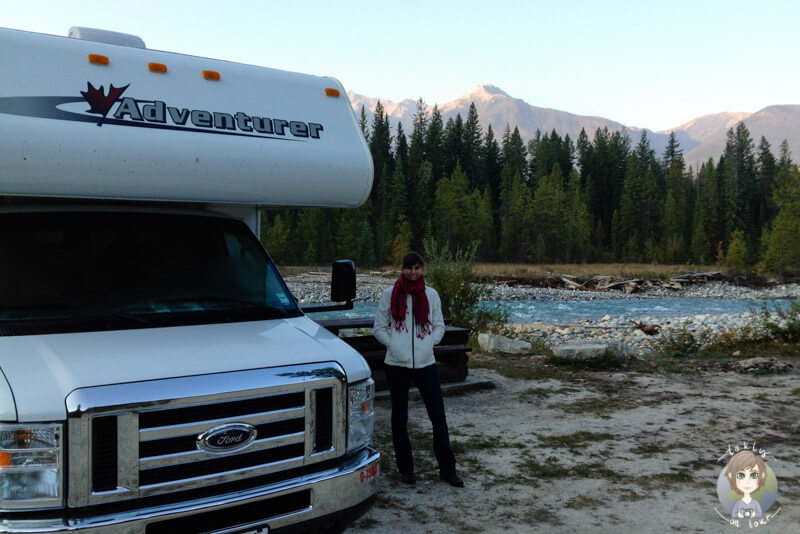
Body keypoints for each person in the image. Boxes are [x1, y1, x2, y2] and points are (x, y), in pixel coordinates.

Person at [373, 251, 463, 487]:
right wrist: (393, 344)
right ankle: (406, 469)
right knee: (399, 417)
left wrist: (429, 343)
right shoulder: (389, 294)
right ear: (402, 269)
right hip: (396, 365)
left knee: (438, 417)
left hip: (426, 363)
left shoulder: (431, 295)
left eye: (417, 268)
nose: (413, 272)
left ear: (423, 270)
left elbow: (439, 325)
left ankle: (447, 469)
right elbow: (379, 328)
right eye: (409, 268)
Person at [725, 450, 767, 518]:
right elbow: (734, 514)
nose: (747, 481)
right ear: (731, 476)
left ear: (762, 475)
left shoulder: (755, 503)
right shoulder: (738, 503)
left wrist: (753, 514)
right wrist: (739, 515)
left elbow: (760, 514)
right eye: (741, 475)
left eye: (753, 475)